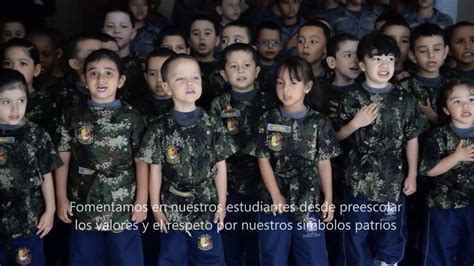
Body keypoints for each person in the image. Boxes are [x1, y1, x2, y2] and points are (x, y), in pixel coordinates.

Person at [335, 32, 427, 266]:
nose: (384, 65)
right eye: (376, 59)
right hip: (357, 182)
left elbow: (412, 139)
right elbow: (334, 139)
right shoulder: (352, 98)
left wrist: (412, 175)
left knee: (390, 232)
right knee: (356, 234)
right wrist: (355, 123)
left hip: (392, 180)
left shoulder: (403, 99)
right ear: (362, 64)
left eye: (389, 59)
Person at [137, 54, 237, 265]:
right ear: (166, 86)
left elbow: (220, 165)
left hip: (205, 206)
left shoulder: (212, 124)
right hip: (172, 206)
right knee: (172, 257)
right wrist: (155, 207)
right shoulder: (159, 128)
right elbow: (154, 170)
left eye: (195, 78)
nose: (190, 83)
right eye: (180, 79)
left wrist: (221, 203)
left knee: (209, 257)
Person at [55, 49, 147, 266]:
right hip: (84, 199)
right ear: (84, 80)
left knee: (126, 258)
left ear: (121, 80)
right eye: (93, 73)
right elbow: (62, 157)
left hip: (122, 201)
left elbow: (142, 161)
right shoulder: (73, 115)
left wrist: (142, 201)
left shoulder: (131, 117)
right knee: (85, 257)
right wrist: (61, 198)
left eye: (109, 73)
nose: (101, 79)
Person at [251, 56, 341, 266]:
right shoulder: (268, 119)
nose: (286, 89)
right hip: (272, 199)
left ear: (307, 87)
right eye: (280, 82)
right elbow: (262, 158)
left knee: (312, 255)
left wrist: (328, 198)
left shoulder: (319, 121)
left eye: (293, 82)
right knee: (273, 253)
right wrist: (275, 195)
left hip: (308, 195)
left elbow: (323, 162)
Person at [210, 43, 276, 266]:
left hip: (264, 185)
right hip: (229, 185)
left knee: (259, 241)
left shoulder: (270, 102)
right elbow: (214, 146)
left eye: (247, 65)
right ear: (223, 73)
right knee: (231, 240)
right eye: (234, 66)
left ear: (257, 70)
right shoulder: (219, 103)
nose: (240, 71)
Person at [0, 68, 62, 266]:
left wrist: (50, 210)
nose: (15, 109)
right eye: (6, 102)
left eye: (21, 101)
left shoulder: (36, 135)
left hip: (28, 221)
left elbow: (46, 174)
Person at [420, 79, 474, 266]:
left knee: (469, 254)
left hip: (472, 206)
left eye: (471, 99)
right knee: (439, 254)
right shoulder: (439, 135)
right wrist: (457, 156)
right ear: (445, 110)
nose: (466, 105)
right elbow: (429, 170)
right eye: (456, 101)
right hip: (445, 206)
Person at [2, 38, 57, 136]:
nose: (14, 69)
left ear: (36, 70)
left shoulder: (46, 106)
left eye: (23, 63)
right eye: (7, 63)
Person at [102, 8, 146, 102]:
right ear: (103, 31)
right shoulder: (95, 64)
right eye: (110, 26)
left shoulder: (142, 65)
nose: (117, 30)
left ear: (133, 33)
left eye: (123, 26)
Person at [132, 48, 176, 124]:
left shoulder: (186, 104)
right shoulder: (136, 108)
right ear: (146, 77)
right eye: (152, 74)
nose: (159, 79)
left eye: (163, 73)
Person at [380, 15, 412, 81]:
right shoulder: (369, 73)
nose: (397, 45)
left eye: (404, 41)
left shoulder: (415, 75)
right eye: (391, 39)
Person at [255, 21, 282, 97]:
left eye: (275, 42)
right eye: (264, 42)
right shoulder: (250, 67)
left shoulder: (284, 68)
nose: (270, 46)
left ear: (280, 46)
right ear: (256, 45)